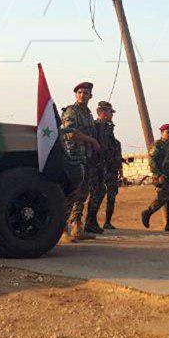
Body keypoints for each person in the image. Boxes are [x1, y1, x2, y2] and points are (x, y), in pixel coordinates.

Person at [60, 82, 101, 241]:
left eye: (86, 93)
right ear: (76, 95)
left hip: (87, 158)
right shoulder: (71, 111)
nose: (83, 95)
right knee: (71, 193)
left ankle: (77, 226)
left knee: (83, 194)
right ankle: (62, 230)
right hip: (74, 157)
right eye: (80, 92)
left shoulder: (88, 115)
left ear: (91, 96)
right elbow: (70, 133)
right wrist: (91, 140)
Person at [86, 101, 122, 232]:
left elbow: (110, 147)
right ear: (103, 112)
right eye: (110, 112)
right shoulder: (95, 126)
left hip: (104, 165)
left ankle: (91, 221)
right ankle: (89, 222)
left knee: (100, 191)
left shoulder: (107, 128)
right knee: (96, 192)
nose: (112, 115)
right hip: (94, 165)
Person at [142, 124, 169, 231]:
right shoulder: (157, 145)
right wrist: (158, 175)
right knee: (162, 199)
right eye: (167, 132)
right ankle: (147, 212)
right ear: (162, 133)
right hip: (161, 177)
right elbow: (152, 161)